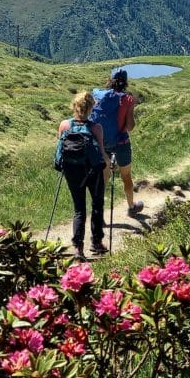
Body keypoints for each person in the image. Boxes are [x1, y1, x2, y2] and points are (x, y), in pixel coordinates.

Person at [56, 91, 109, 260]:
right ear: (91, 108)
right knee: (97, 205)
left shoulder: (65, 125)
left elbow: (60, 151)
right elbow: (101, 153)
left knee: (79, 209)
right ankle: (96, 243)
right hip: (93, 171)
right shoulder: (96, 128)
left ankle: (78, 248)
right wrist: (109, 164)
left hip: (72, 172)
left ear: (74, 106)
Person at [93, 68, 139, 217]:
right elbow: (130, 127)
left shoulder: (98, 95)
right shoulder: (128, 99)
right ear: (125, 82)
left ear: (110, 80)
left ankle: (98, 214)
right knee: (126, 177)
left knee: (104, 178)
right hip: (121, 143)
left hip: (103, 143)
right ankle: (132, 207)